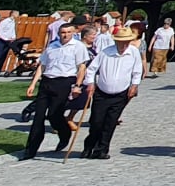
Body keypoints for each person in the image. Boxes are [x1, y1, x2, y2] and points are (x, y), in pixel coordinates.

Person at [23, 23, 90, 159]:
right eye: (63, 32)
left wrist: (77, 85)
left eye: (68, 32)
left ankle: (65, 134)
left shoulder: (78, 47)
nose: (65, 35)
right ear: (59, 33)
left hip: (64, 82)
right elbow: (42, 66)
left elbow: (82, 68)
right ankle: (30, 150)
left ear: (73, 33)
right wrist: (33, 84)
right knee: (38, 117)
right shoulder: (52, 46)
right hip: (47, 81)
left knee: (54, 115)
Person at [82, 25, 145, 159]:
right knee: (96, 122)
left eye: (126, 42)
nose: (124, 45)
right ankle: (89, 146)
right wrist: (90, 83)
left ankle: (102, 150)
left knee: (110, 123)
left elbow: (137, 71)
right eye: (121, 42)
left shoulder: (133, 52)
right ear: (116, 41)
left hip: (121, 94)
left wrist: (134, 85)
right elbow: (91, 69)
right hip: (102, 93)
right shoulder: (105, 52)